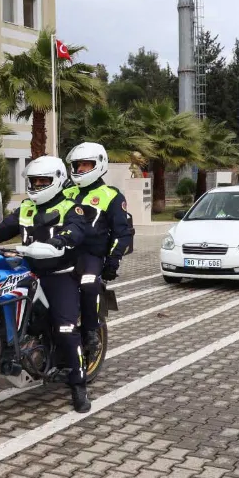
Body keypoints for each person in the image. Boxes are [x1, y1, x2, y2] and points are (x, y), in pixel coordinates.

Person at [0, 155, 92, 413]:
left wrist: (61, 241)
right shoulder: (25, 208)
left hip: (59, 274)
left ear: (57, 181)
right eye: (33, 181)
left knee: (65, 329)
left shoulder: (72, 207)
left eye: (42, 181)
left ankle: (78, 384)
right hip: (27, 272)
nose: (36, 185)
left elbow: (76, 230)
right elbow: (1, 230)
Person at [62, 142, 134, 361]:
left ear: (99, 165)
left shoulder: (111, 196)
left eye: (86, 164)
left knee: (89, 282)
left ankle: (91, 331)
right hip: (61, 252)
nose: (81, 169)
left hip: (90, 256)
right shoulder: (64, 192)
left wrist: (113, 260)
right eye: (78, 165)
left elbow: (123, 232)